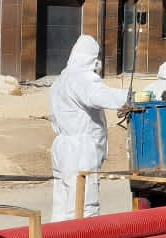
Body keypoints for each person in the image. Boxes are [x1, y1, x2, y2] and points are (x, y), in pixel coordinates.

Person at [50, 35, 130, 221]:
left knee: (63, 203)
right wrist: (130, 96)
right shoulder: (83, 78)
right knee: (85, 205)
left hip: (61, 145)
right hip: (81, 147)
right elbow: (100, 96)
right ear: (92, 58)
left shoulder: (60, 80)